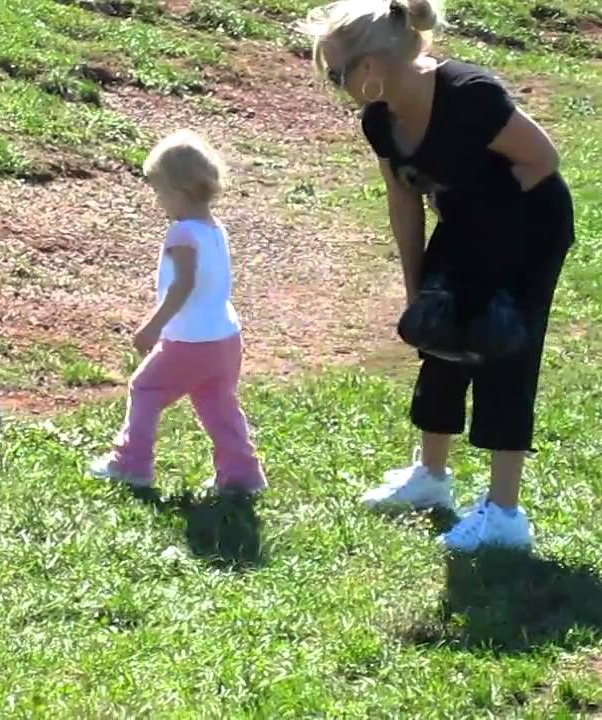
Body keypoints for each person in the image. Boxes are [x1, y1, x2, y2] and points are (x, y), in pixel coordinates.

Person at [300, 0, 574, 551]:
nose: (333, 85)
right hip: (468, 222)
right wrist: (417, 288)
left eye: (336, 73)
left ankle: (504, 514)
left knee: (503, 349)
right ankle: (432, 478)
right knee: (440, 341)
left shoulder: (469, 96)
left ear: (371, 67)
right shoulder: (380, 119)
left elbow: (543, 158)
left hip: (527, 227)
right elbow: (403, 200)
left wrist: (480, 215)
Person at [88, 130, 267, 495]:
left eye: (160, 191)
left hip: (190, 341)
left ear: (181, 191)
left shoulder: (181, 234)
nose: (158, 202)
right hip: (225, 338)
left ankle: (131, 463)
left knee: (145, 387)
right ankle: (242, 474)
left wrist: (153, 326)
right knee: (218, 405)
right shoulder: (215, 229)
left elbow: (182, 285)